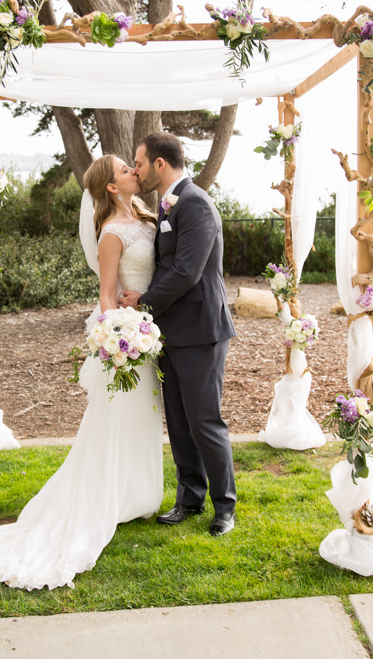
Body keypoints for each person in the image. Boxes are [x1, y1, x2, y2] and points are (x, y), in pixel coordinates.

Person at [0, 155, 164, 590]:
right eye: (125, 171)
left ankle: (137, 495)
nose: (133, 173)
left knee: (144, 417)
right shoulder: (110, 233)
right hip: (127, 341)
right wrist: (117, 340)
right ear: (110, 186)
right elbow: (106, 292)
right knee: (118, 418)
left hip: (149, 331)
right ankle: (108, 498)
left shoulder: (146, 215)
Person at [119, 132, 238, 537]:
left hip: (201, 331)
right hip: (171, 332)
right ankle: (189, 498)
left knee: (205, 421)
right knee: (180, 422)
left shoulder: (195, 205)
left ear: (159, 164)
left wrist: (144, 303)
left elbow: (187, 271)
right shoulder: (168, 206)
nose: (135, 170)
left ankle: (225, 508)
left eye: (138, 162)